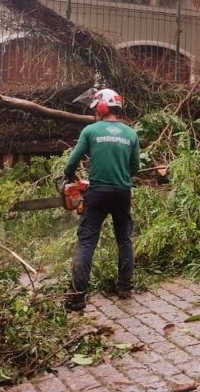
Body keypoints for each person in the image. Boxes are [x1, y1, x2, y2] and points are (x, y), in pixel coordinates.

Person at [63, 88, 141, 311]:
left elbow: (72, 161)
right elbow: (135, 166)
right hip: (122, 192)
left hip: (96, 192)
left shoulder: (90, 131)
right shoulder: (130, 134)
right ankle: (125, 287)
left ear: (102, 107)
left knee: (87, 241)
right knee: (124, 239)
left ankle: (78, 296)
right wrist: (122, 176)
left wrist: (69, 176)